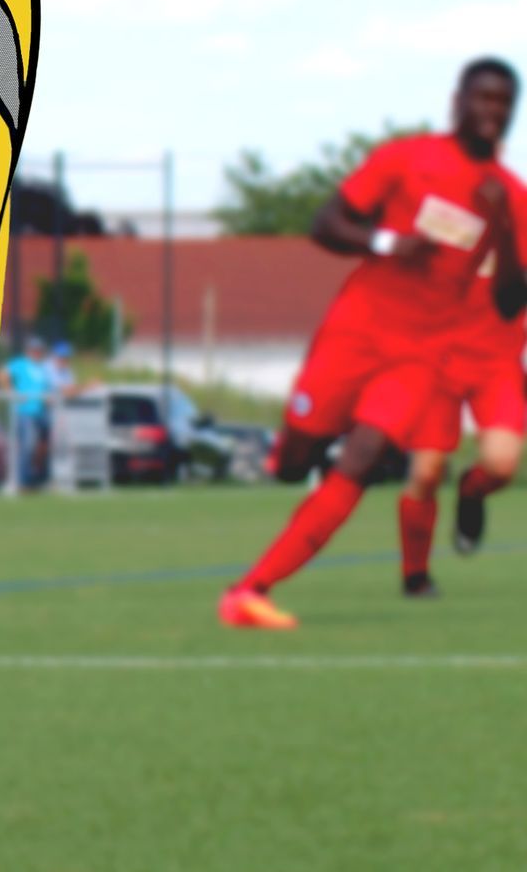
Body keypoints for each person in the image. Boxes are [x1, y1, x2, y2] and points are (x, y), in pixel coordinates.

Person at [221, 58, 520, 629]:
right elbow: (326, 223)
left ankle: (249, 591)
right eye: (483, 98)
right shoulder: (408, 158)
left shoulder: (509, 195)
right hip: (355, 334)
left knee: (361, 461)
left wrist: (503, 226)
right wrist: (386, 242)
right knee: (293, 464)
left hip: (422, 355)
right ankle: (304, 448)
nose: (492, 112)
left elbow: (510, 302)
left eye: (504, 103)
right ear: (459, 100)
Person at [390, 160, 527, 590]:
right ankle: (415, 573)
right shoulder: (438, 214)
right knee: (427, 472)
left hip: (498, 360)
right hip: (438, 360)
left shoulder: (518, 212)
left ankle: (472, 492)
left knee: (502, 465)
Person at [0, 335, 55, 490]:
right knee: (27, 445)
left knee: (45, 446)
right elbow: (3, 374)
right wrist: (11, 392)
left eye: (39, 350)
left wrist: (49, 398)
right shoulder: (20, 364)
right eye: (34, 350)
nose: (37, 353)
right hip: (24, 412)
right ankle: (23, 480)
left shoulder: (43, 368)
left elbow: (47, 388)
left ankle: (41, 478)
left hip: (41, 412)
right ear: (29, 351)